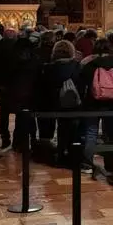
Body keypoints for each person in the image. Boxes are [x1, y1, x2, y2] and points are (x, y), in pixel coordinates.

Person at [79, 38, 113, 179]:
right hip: (111, 104)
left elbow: (82, 83)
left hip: (92, 104)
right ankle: (109, 166)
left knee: (91, 133)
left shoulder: (90, 64)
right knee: (109, 135)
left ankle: (87, 164)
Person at [34, 39, 82, 167]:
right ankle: (68, 155)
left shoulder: (47, 68)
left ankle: (53, 155)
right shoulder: (77, 66)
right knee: (68, 130)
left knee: (49, 131)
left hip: (50, 103)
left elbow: (40, 87)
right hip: (71, 103)